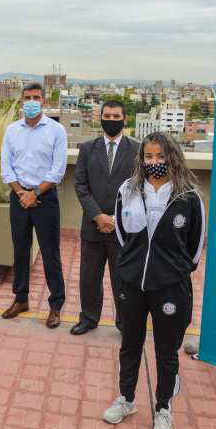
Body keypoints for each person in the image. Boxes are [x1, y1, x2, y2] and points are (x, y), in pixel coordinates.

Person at [102, 131, 205, 429]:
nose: (154, 162)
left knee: (166, 351)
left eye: (161, 156)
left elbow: (195, 247)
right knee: (129, 344)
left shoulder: (188, 196)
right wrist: (134, 265)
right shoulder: (129, 189)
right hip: (131, 283)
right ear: (141, 159)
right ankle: (127, 400)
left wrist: (170, 271)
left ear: (172, 156)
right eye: (148, 157)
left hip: (170, 287)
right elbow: (122, 233)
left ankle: (163, 410)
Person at [0, 82, 68, 328]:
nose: (31, 101)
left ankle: (55, 306)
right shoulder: (11, 131)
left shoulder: (56, 130)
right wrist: (21, 193)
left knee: (51, 252)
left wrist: (35, 192)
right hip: (19, 198)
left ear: (44, 102)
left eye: (36, 97)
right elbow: (6, 168)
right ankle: (21, 299)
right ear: (21, 102)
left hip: (45, 198)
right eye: (27, 97)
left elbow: (57, 170)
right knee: (20, 250)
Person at [70, 99, 140, 335]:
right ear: (100, 118)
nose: (111, 121)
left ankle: (124, 324)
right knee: (89, 278)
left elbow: (140, 190)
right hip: (93, 227)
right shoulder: (87, 148)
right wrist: (98, 216)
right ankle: (88, 319)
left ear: (125, 119)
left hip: (123, 229)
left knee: (122, 280)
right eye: (107, 117)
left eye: (116, 117)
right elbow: (80, 185)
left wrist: (115, 218)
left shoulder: (139, 150)